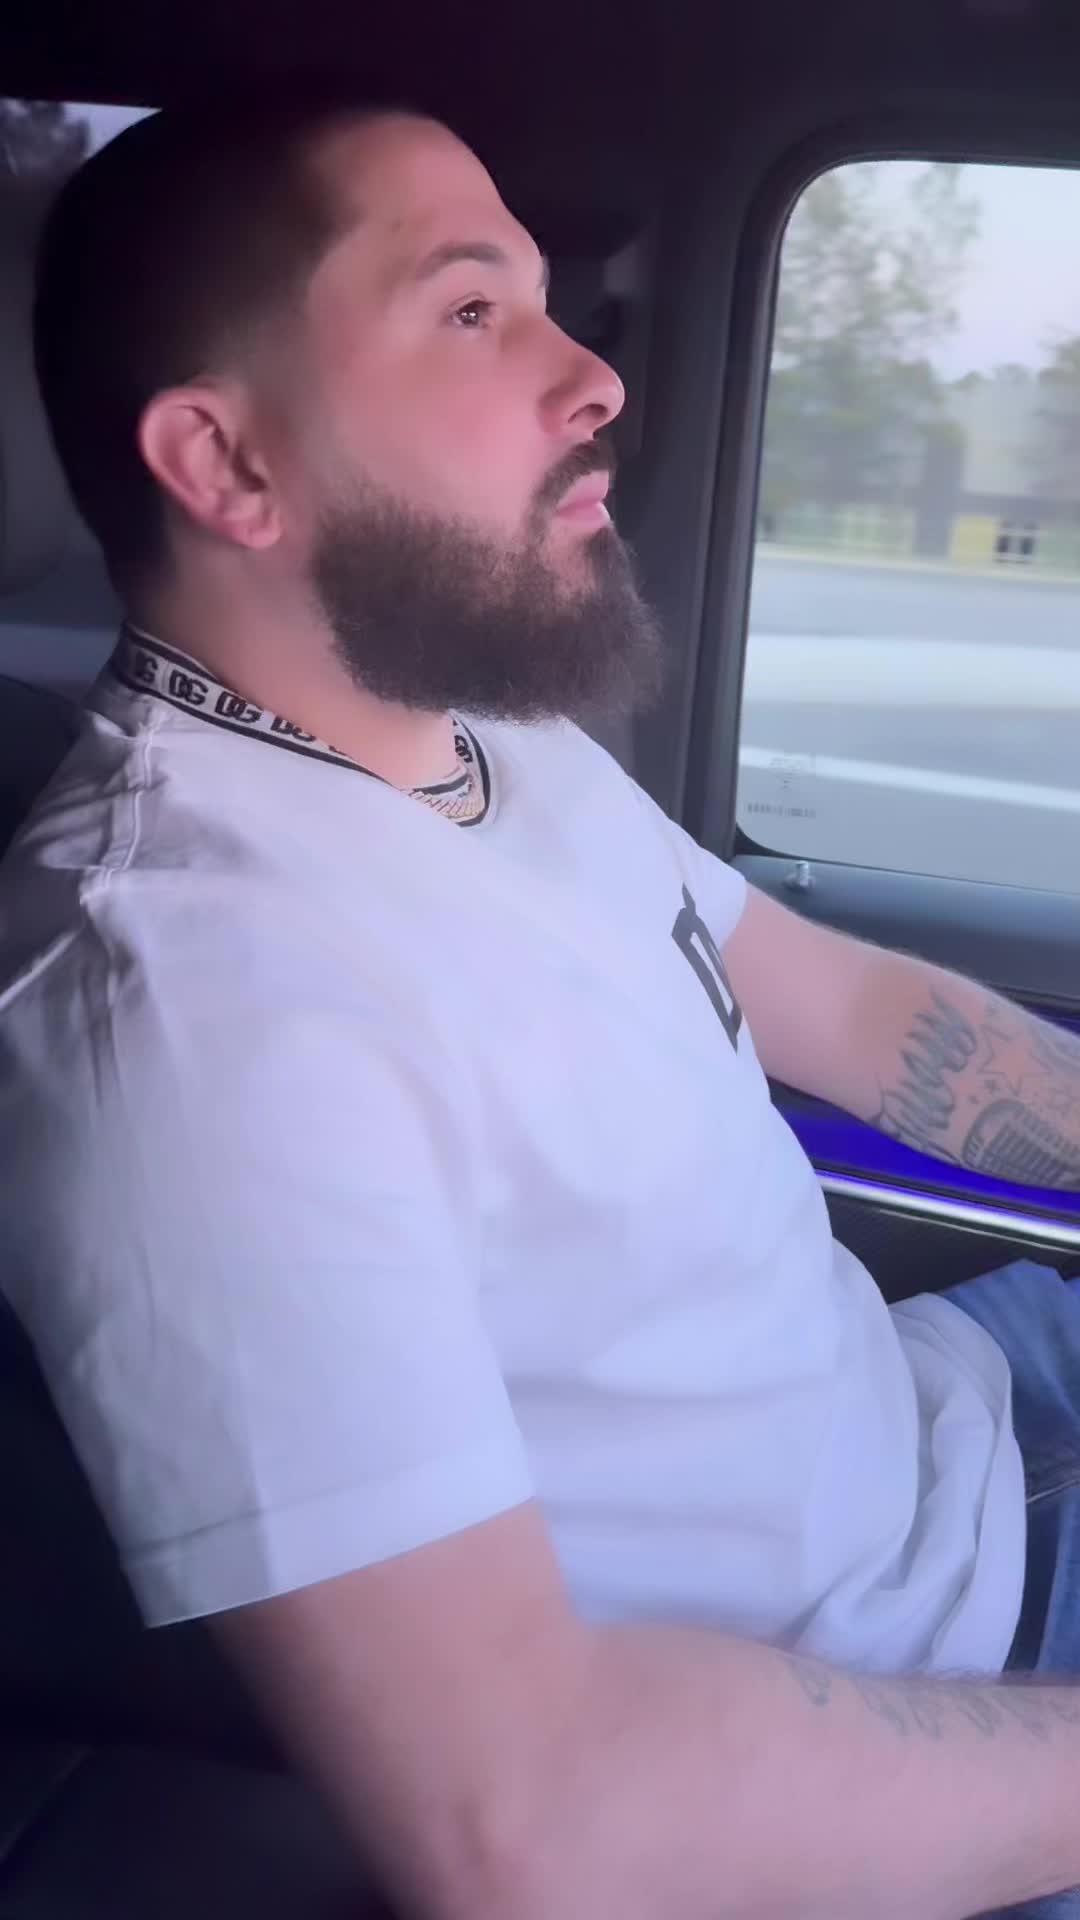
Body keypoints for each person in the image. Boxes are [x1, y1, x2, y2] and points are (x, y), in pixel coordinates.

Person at [1, 101, 1079, 1920]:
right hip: (929, 1698)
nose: (594, 378)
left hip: (971, 1422)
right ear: (227, 462)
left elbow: (850, 1005)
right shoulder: (183, 1003)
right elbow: (529, 1822)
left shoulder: (481, 737)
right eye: (471, 311)